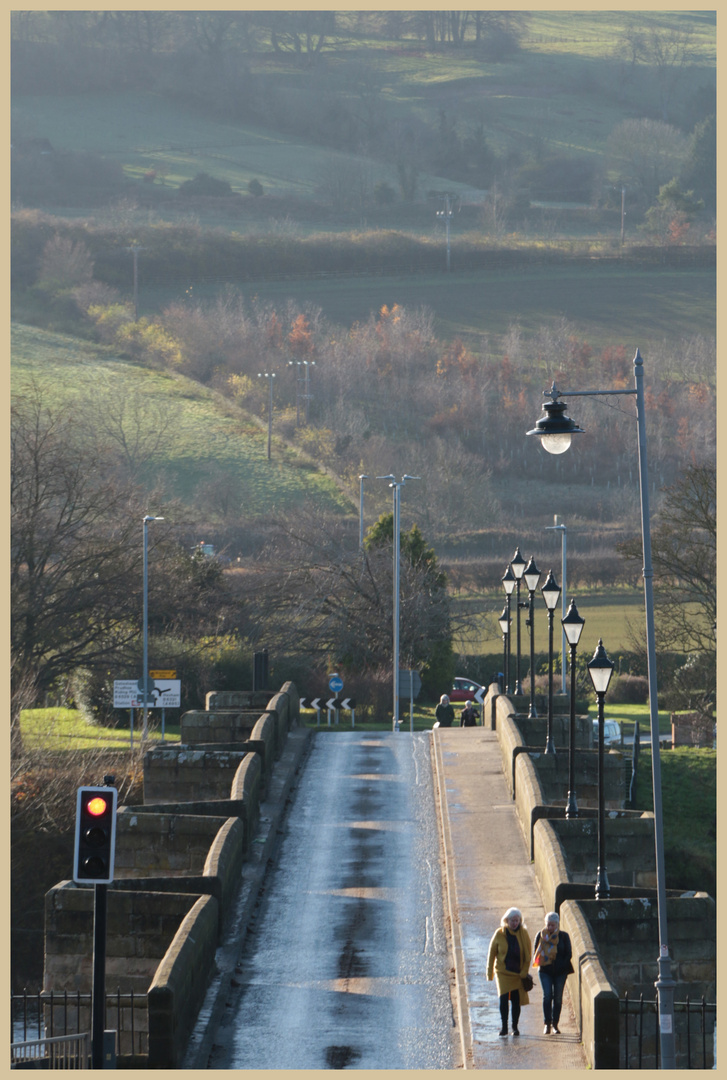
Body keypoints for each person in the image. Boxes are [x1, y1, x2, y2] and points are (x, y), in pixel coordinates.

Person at [487, 907, 532, 1037]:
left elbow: (528, 956)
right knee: (503, 1000)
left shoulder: (523, 933)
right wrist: (489, 973)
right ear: (506, 920)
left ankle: (515, 1027)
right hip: (503, 973)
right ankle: (504, 1027)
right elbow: (491, 954)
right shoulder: (499, 933)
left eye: (517, 920)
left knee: (516, 1001)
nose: (514, 923)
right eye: (512, 920)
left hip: (517, 974)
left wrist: (524, 972)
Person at [532, 911, 574, 1034]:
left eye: (552, 925)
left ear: (557, 925)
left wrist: (561, 965)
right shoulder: (540, 936)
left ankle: (555, 1024)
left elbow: (569, 954)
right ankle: (547, 1023)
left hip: (560, 972)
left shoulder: (564, 937)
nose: (550, 928)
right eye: (548, 925)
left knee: (558, 998)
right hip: (545, 970)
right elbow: (536, 953)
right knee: (547, 996)